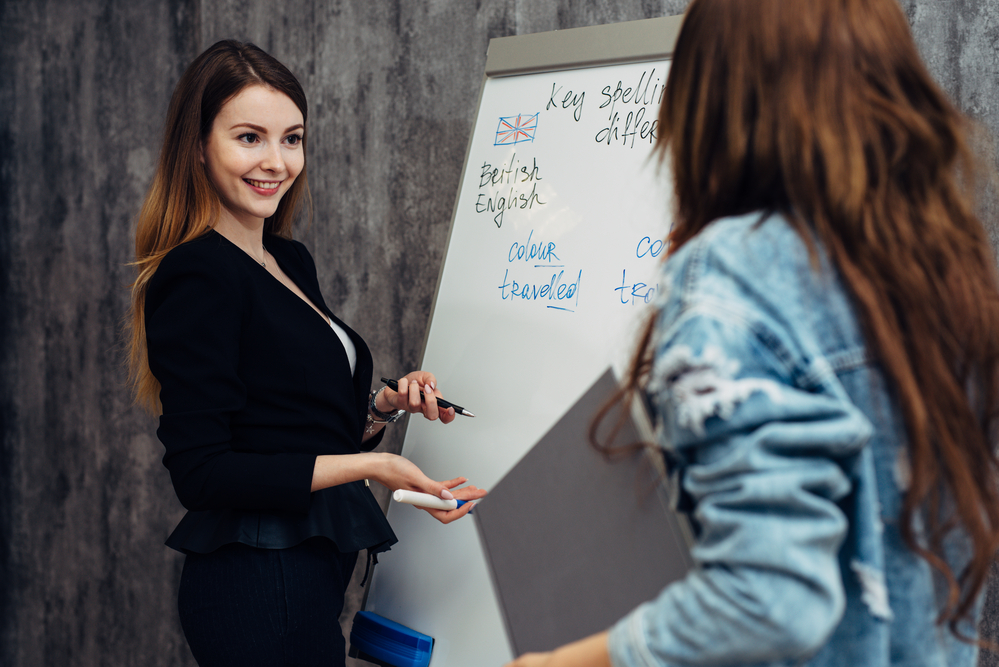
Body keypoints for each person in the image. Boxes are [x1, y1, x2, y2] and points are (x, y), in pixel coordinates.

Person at [507, 0, 999, 665]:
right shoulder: (939, 268)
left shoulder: (731, 271)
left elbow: (769, 600)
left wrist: (560, 662)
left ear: (713, 95)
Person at [125, 40, 485, 667]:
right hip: (257, 589)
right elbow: (204, 473)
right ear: (198, 145)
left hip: (308, 577)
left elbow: (291, 425)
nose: (276, 161)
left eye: (291, 138)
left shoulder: (286, 259)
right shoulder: (197, 275)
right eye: (249, 137)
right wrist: (374, 468)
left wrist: (381, 407)